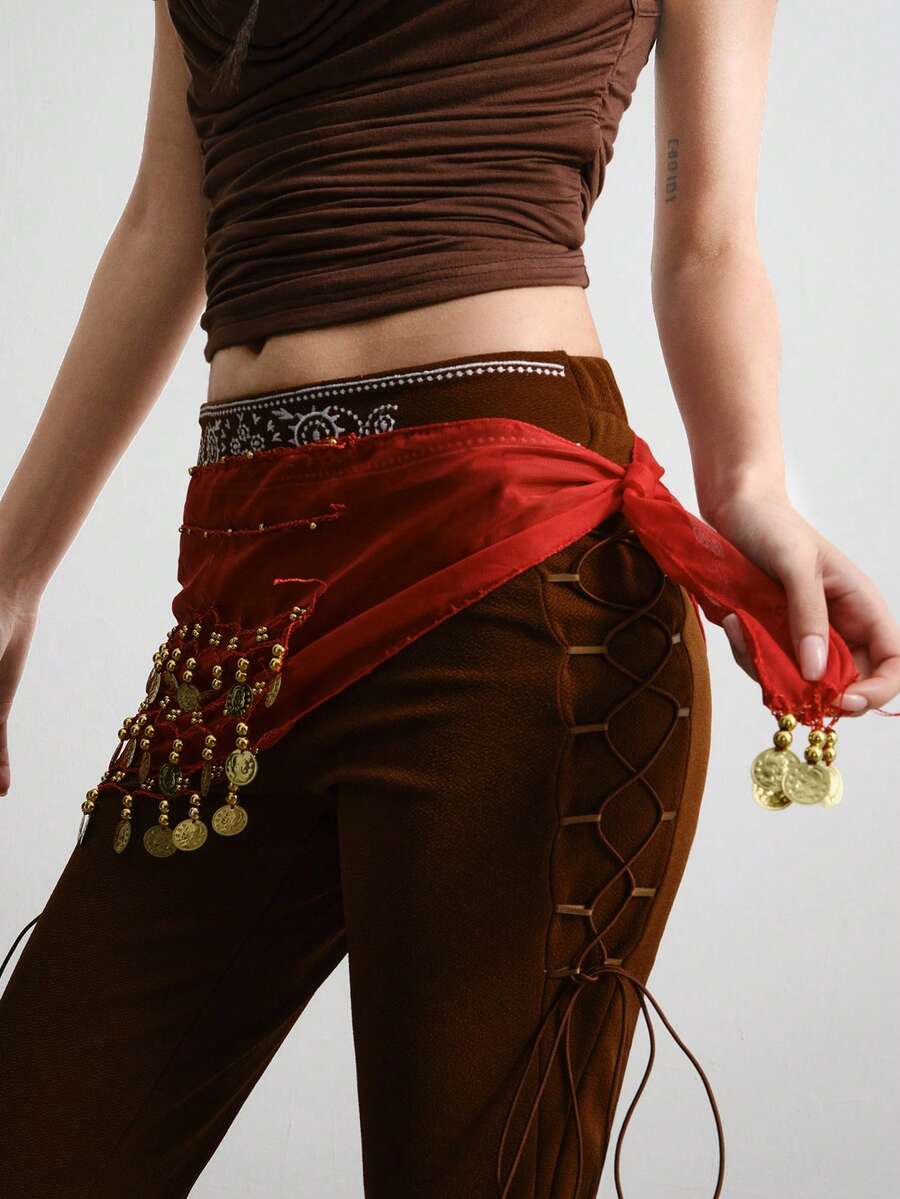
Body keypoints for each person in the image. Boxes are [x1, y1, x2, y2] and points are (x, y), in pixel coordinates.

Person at [1, 2, 898, 1197]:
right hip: (244, 597)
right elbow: (166, 223)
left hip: (515, 569)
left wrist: (749, 484)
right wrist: (12, 575)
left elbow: (710, 237)